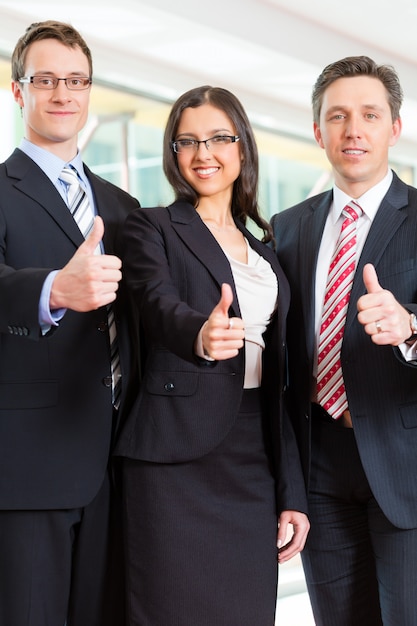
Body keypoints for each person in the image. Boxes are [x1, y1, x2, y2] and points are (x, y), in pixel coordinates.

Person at [114, 85, 309, 626]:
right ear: (173, 153)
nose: (204, 153)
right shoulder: (152, 226)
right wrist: (200, 335)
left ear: (242, 147)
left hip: (253, 458)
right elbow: (156, 302)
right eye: (188, 141)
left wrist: (291, 491)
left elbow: (281, 386)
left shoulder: (265, 248)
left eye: (219, 138)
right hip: (175, 458)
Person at [0, 20, 140, 626]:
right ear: (17, 91)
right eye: (46, 79)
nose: (62, 93)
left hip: (120, 464)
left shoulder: (123, 206)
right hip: (29, 467)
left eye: (76, 80)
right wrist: (53, 288)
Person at [271, 55, 417, 625]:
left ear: (394, 127)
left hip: (403, 461)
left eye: (369, 115)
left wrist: (409, 326)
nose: (353, 129)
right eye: (337, 116)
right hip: (319, 465)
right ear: (318, 131)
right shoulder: (287, 226)